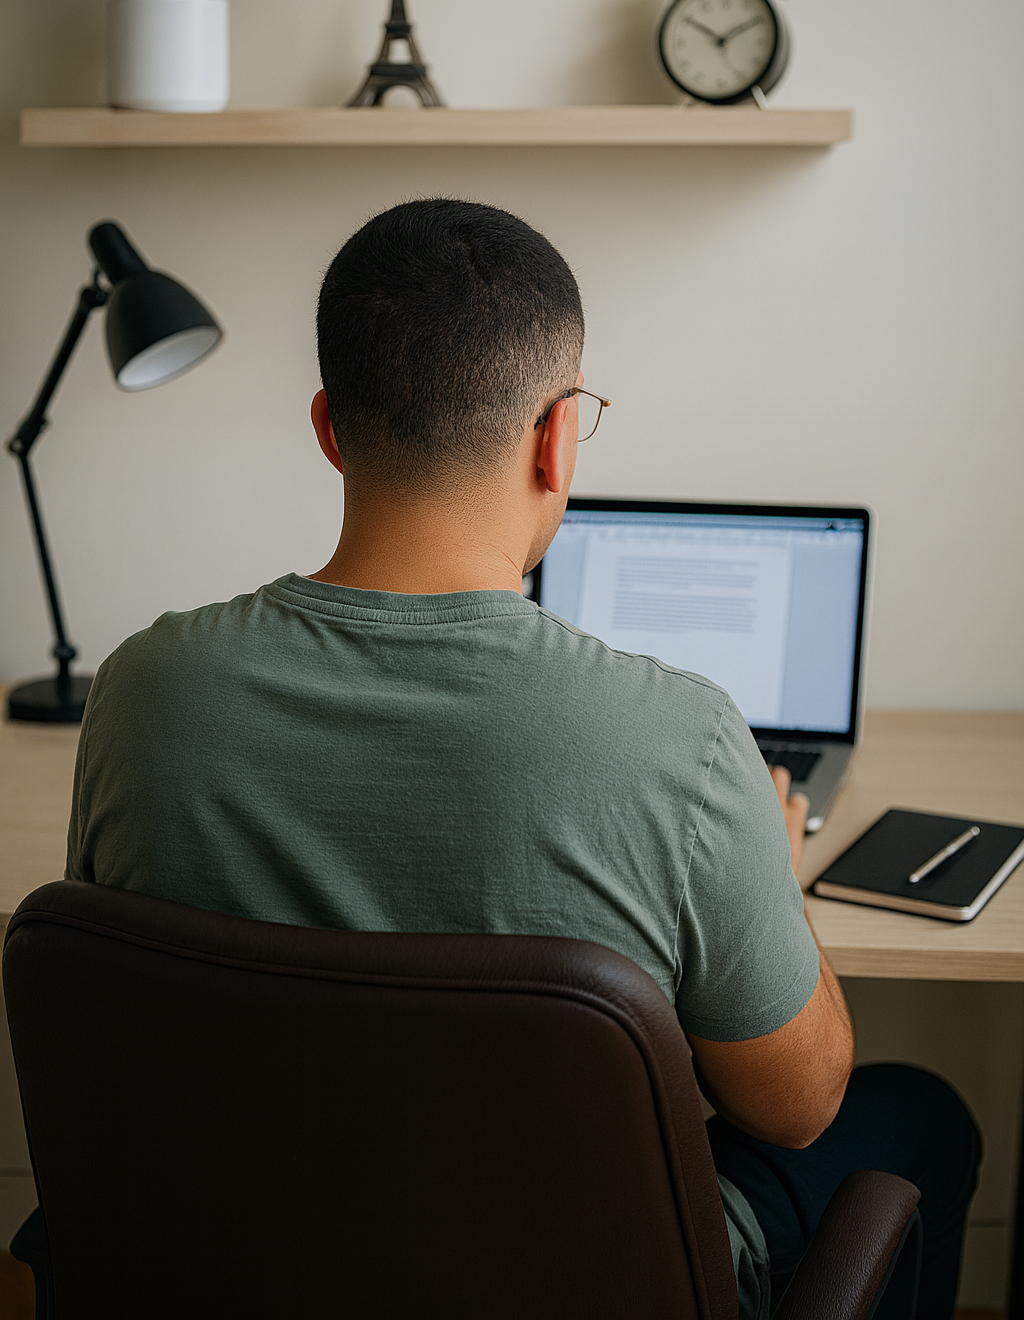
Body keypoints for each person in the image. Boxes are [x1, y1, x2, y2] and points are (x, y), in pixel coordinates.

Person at [64, 199, 979, 1317]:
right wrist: (773, 891)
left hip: (243, 1264)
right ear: (555, 438)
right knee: (921, 1112)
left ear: (328, 427)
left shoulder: (140, 692)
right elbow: (794, 1109)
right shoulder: (682, 740)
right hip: (577, 1281)